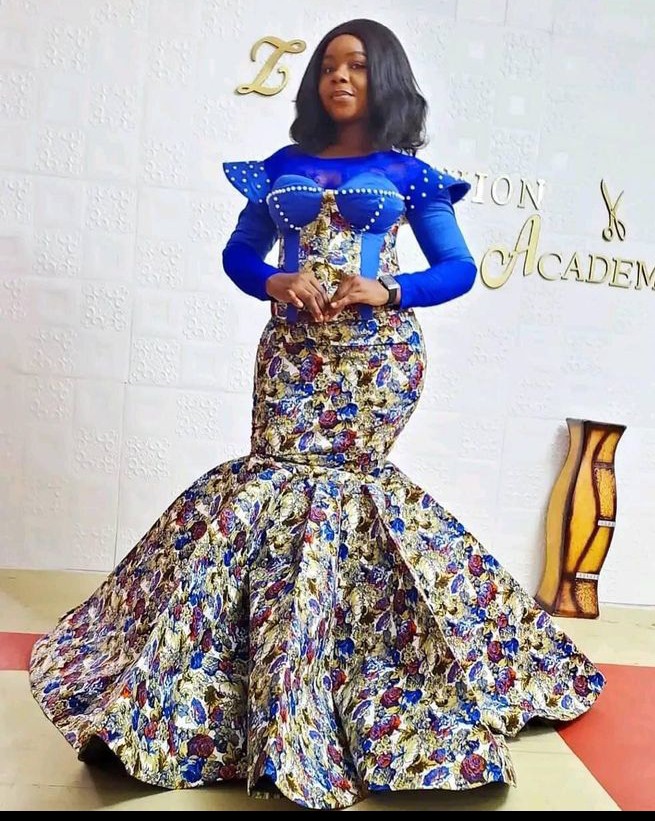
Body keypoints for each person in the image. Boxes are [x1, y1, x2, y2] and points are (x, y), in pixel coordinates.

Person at [28, 18, 605, 811]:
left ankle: (354, 668)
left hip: (375, 360)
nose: (340, 77)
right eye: (330, 65)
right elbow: (238, 254)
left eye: (357, 66)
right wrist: (274, 280)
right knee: (272, 485)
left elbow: (458, 267)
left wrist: (389, 288)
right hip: (293, 355)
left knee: (349, 494)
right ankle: (255, 674)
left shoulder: (409, 175)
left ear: (383, 78)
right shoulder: (282, 167)